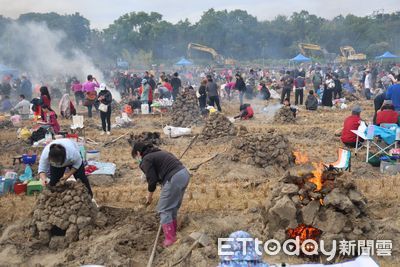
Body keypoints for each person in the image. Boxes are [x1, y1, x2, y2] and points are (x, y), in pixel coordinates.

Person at [132, 142, 190, 247]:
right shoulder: (159, 152)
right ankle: (173, 233)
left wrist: (149, 196)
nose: (137, 159)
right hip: (184, 174)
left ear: (138, 153)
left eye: (136, 157)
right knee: (172, 207)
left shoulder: (146, 159)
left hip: (174, 178)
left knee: (163, 209)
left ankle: (170, 239)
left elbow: (152, 180)